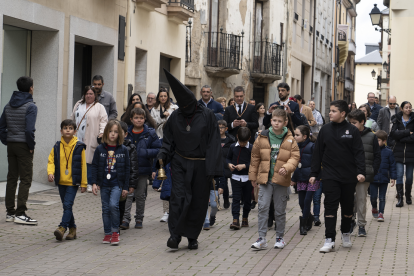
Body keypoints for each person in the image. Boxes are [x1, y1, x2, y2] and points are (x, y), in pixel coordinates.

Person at [156, 69, 222, 250]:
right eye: (182, 108)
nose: (185, 110)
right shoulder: (176, 117)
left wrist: (213, 169)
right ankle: (175, 236)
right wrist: (163, 154)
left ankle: (192, 236)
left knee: (197, 201)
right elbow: (168, 141)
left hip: (201, 165)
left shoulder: (207, 115)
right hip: (179, 163)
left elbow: (214, 142)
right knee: (178, 198)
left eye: (187, 107)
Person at [310, 100, 365, 253]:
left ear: (342, 113)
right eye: (330, 110)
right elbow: (317, 153)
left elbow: (359, 153)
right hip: (330, 176)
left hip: (348, 177)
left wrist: (361, 172)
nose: (330, 113)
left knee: (347, 207)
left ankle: (346, 233)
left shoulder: (352, 131)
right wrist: (314, 173)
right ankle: (329, 239)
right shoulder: (325, 130)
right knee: (330, 206)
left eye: (333, 111)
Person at [249, 108, 300, 250]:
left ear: (285, 122)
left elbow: (295, 157)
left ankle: (280, 238)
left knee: (279, 210)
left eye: (279, 121)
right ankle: (262, 238)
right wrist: (253, 177)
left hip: (281, 180)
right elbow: (255, 157)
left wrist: (288, 167)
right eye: (274, 120)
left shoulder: (290, 139)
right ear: (271, 121)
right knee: (263, 207)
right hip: (265, 179)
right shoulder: (263, 136)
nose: (276, 123)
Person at [0, 76, 38, 225]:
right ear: (30, 88)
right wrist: (31, 146)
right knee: (26, 179)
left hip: (11, 144)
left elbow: (1, 127)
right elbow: (29, 130)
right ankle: (20, 213)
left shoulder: (8, 105)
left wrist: (6, 140)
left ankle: (10, 212)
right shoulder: (31, 106)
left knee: (12, 178)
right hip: (24, 145)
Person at [91, 120, 132, 245]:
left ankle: (115, 232)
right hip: (104, 184)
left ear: (120, 134)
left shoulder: (123, 149)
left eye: (115, 132)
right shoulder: (100, 149)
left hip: (117, 184)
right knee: (105, 208)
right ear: (105, 133)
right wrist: (94, 183)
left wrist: (126, 186)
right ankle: (107, 233)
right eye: (110, 131)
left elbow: (127, 168)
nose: (113, 134)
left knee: (114, 205)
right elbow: (95, 166)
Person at [120, 108, 161, 229]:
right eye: (136, 118)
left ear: (145, 119)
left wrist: (145, 152)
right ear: (131, 119)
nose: (139, 120)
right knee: (127, 194)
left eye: (141, 118)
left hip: (143, 169)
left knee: (140, 195)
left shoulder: (150, 133)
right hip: (128, 169)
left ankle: (139, 218)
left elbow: (158, 150)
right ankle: (125, 219)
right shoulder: (125, 132)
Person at [47, 119, 87, 240]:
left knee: (68, 204)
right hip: (61, 181)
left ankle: (62, 227)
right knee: (66, 206)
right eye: (65, 128)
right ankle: (73, 229)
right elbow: (51, 161)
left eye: (70, 128)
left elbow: (83, 166)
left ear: (75, 131)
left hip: (72, 182)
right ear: (61, 131)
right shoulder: (57, 146)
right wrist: (50, 172)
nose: (67, 130)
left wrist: (84, 183)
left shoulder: (79, 146)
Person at [347, 110, 381, 237]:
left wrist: (372, 170)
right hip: (349, 173)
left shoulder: (371, 136)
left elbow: (377, 156)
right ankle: (350, 221)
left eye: (354, 123)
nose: (351, 125)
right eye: (350, 122)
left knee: (361, 200)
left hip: (364, 174)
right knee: (350, 200)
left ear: (362, 122)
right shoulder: (347, 134)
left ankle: (361, 225)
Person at [71, 85, 108, 193]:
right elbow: (72, 117)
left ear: (95, 95)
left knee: (90, 161)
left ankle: (90, 183)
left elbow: (103, 121)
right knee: (79, 159)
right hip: (78, 135)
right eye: (87, 93)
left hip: (92, 135)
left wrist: (102, 132)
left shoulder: (99, 107)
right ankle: (79, 182)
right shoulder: (78, 104)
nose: (88, 96)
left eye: (91, 94)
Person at [291, 126, 319, 236]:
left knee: (307, 200)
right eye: (295, 134)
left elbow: (317, 162)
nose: (295, 137)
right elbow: (295, 165)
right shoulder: (295, 147)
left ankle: (303, 225)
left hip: (312, 179)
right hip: (300, 178)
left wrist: (315, 175)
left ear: (305, 136)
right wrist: (293, 179)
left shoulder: (312, 146)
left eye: (297, 135)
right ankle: (310, 217)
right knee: (301, 202)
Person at [226, 127, 253, 230]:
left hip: (248, 178)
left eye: (244, 142)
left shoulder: (251, 148)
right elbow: (228, 158)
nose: (242, 144)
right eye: (240, 141)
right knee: (236, 199)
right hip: (235, 177)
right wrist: (229, 164)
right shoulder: (233, 147)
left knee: (247, 199)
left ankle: (245, 217)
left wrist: (245, 166)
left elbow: (254, 163)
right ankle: (235, 219)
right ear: (237, 137)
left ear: (249, 138)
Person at [390, 101, 414, 207]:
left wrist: (401, 137)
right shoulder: (396, 119)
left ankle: (408, 195)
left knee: (409, 176)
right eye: (406, 107)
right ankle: (400, 198)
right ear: (401, 108)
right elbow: (393, 134)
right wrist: (407, 132)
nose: (408, 109)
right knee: (399, 175)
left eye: (410, 107)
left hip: (411, 152)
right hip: (398, 152)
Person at [370, 130, 397, 221]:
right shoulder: (371, 151)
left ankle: (381, 213)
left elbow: (392, 165)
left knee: (382, 197)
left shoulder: (389, 152)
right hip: (373, 178)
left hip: (384, 178)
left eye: (378, 140)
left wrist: (393, 177)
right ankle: (374, 207)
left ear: (384, 141)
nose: (376, 142)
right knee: (373, 197)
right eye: (375, 140)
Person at [118, 121, 139, 229]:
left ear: (125, 134)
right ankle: (115, 221)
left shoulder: (130, 148)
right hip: (113, 181)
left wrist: (132, 184)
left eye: (119, 132)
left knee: (127, 199)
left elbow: (133, 167)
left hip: (126, 180)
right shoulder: (108, 147)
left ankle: (125, 219)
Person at [217, 120, 235, 210]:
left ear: (226, 128)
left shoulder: (230, 140)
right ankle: (223, 200)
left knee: (231, 182)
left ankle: (230, 200)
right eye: (218, 127)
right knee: (222, 184)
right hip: (218, 164)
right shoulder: (214, 139)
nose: (220, 129)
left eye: (222, 127)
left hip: (228, 163)